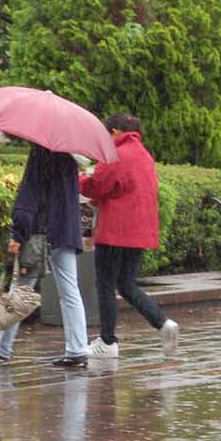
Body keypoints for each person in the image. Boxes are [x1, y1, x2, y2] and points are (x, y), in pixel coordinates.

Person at [0, 143, 89, 368]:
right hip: (65, 230)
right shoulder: (70, 156)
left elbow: (30, 195)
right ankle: (77, 349)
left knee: (20, 290)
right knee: (69, 291)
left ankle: (1, 347)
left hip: (40, 232)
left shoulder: (42, 151)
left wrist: (18, 233)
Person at [78, 114, 180, 360]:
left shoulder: (116, 154)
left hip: (115, 231)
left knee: (105, 285)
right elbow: (122, 190)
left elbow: (97, 185)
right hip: (139, 233)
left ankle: (107, 342)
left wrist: (78, 177)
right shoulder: (144, 156)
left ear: (114, 132)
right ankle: (163, 323)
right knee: (126, 284)